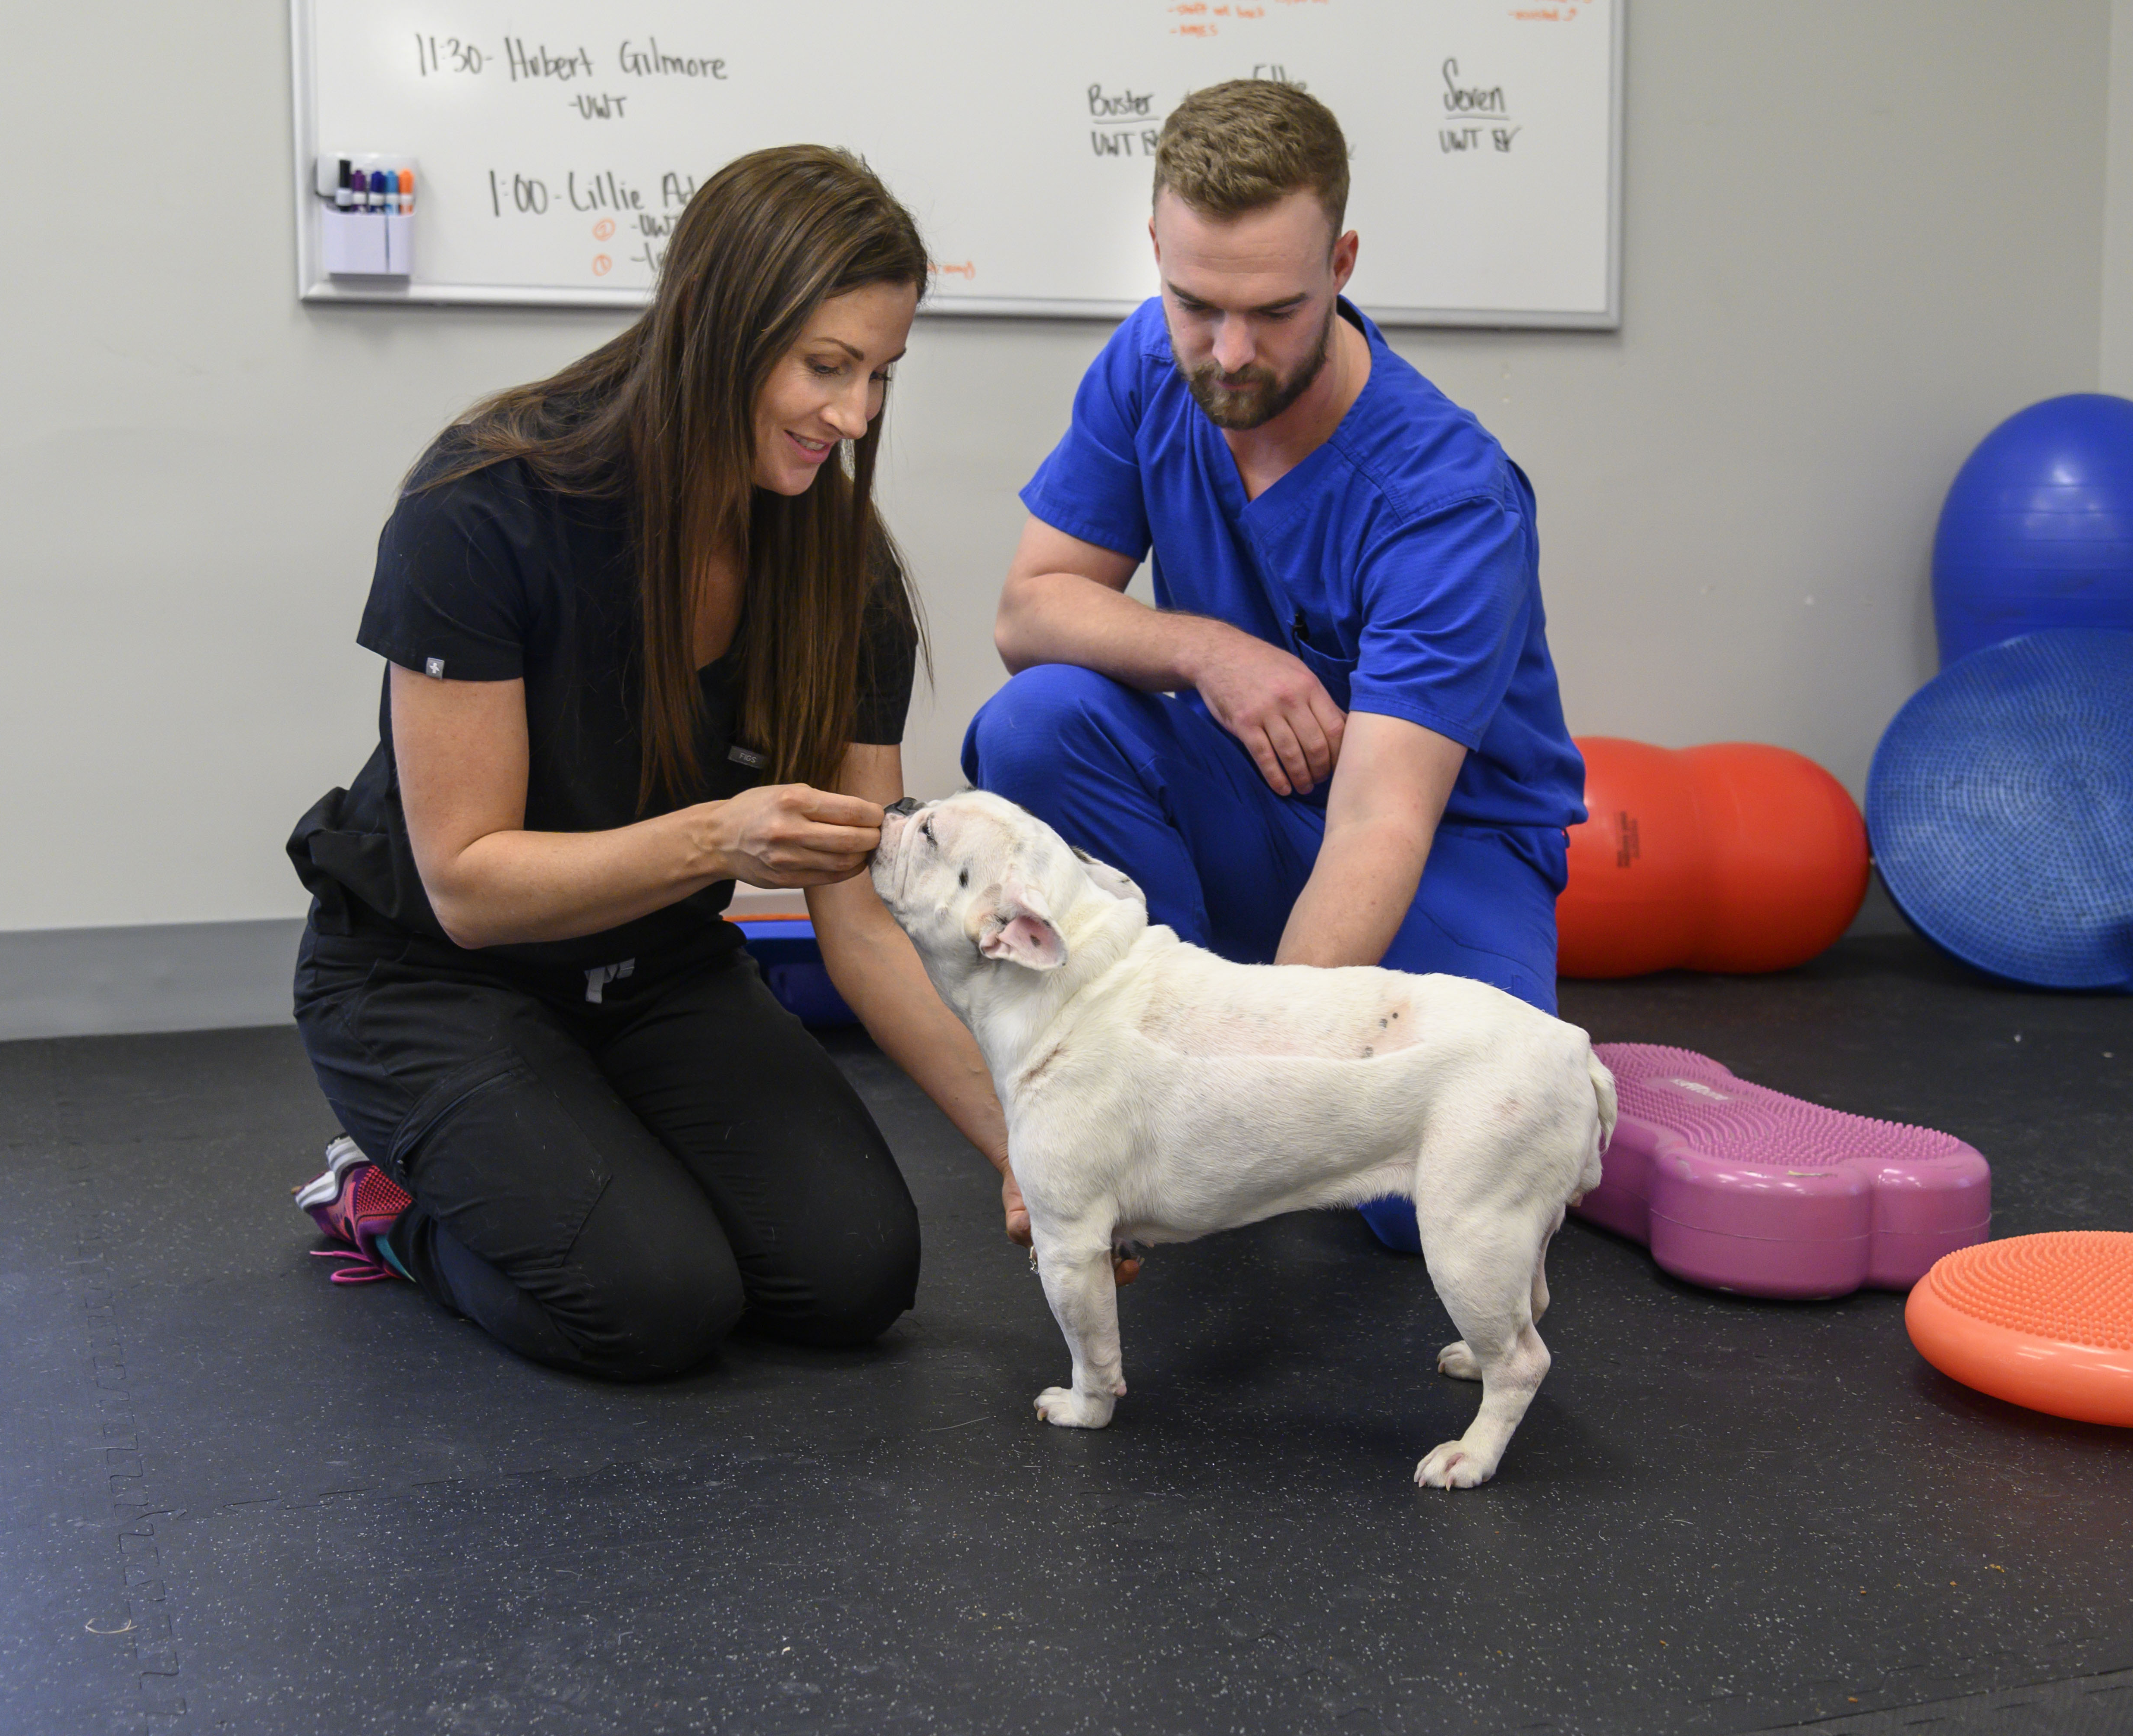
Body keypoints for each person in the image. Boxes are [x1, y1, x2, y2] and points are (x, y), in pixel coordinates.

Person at [283, 146, 1013, 1380]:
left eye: (881, 375)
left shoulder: (841, 570)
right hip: (432, 983)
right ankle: (391, 1204)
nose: (856, 417)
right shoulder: (483, 508)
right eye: (826, 368)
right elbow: (464, 884)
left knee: (855, 1276)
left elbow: (871, 924)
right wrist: (720, 839)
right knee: (652, 1303)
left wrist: (1029, 1151)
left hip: (655, 974)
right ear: (720, 329)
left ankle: (576, 1144)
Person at [964, 82, 1587, 1250]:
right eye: (1196, 303)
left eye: (1275, 311)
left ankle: (1207, 1049)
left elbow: (1378, 827)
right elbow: (1028, 612)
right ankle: (1169, 1036)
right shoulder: (1150, 362)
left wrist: (1231, 1104)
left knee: (1415, 1209)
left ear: (1343, 263)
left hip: (1441, 847)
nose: (1230, 352)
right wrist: (1210, 651)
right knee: (1036, 723)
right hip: (1251, 804)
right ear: (1153, 248)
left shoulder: (1449, 497)